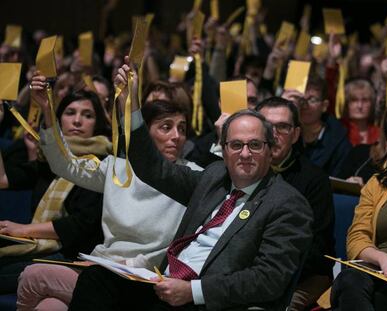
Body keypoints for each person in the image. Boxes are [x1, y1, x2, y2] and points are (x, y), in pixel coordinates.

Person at [69, 62, 313, 310]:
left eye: (255, 145)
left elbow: (268, 279)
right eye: (236, 145)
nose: (245, 154)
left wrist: (193, 291)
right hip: (166, 283)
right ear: (224, 150)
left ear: (270, 151)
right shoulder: (215, 176)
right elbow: (154, 169)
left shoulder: (287, 204)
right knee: (97, 280)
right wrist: (130, 104)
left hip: (209, 300)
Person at [16, 69, 201, 310]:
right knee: (48, 305)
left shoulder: (193, 175)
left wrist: (134, 263)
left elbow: (180, 244)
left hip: (143, 281)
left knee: (34, 277)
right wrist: (48, 110)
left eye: (182, 129)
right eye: (166, 127)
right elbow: (65, 165)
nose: (177, 136)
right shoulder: (119, 168)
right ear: (144, 134)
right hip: (102, 268)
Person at [0, 89, 109, 294]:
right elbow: (3, 180)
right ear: (58, 120)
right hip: (38, 249)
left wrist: (23, 230)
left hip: (72, 256)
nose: (77, 121)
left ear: (98, 124)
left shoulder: (102, 165)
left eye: (87, 115)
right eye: (70, 113)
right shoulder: (48, 161)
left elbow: (80, 225)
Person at [255, 97, 335, 311]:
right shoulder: (242, 171)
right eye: (266, 126)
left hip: (300, 276)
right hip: (248, 272)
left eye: (282, 127)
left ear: (296, 134)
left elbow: (316, 248)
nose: (273, 134)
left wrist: (262, 272)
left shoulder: (314, 180)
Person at [331, 108, 387, 311]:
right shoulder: (377, 184)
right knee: (349, 280)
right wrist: (384, 259)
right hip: (377, 272)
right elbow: (357, 238)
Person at [282, 75, 352, 177]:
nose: (305, 105)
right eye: (300, 100)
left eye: (312, 100)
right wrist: (284, 107)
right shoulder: (287, 133)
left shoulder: (339, 141)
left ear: (324, 106)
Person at [342, 79, 379, 146]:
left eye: (365, 100)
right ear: (346, 103)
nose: (360, 106)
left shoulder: (379, 133)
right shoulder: (338, 130)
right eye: (354, 100)